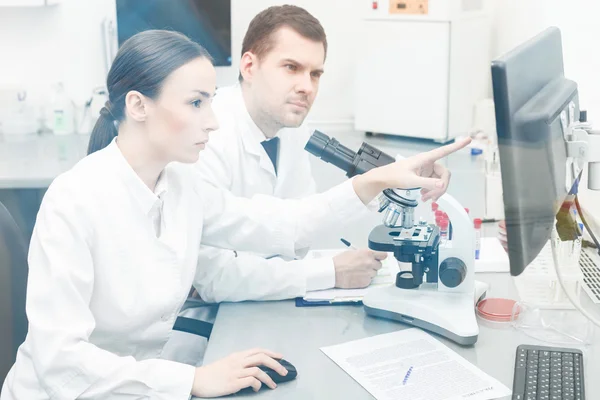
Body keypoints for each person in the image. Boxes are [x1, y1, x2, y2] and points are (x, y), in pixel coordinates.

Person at [0, 30, 469, 399]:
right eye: (196, 103)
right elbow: (60, 362)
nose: (214, 120)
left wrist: (377, 179)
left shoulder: (180, 185)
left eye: (210, 99)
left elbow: (278, 226)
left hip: (144, 386)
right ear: (138, 105)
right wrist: (189, 381)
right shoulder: (75, 200)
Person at [193, 5, 385, 304]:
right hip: (213, 327)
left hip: (266, 301)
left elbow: (302, 224)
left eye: (315, 74)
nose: (306, 87)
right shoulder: (205, 137)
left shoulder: (292, 126)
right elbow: (215, 277)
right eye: (291, 68)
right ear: (249, 67)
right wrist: (329, 272)